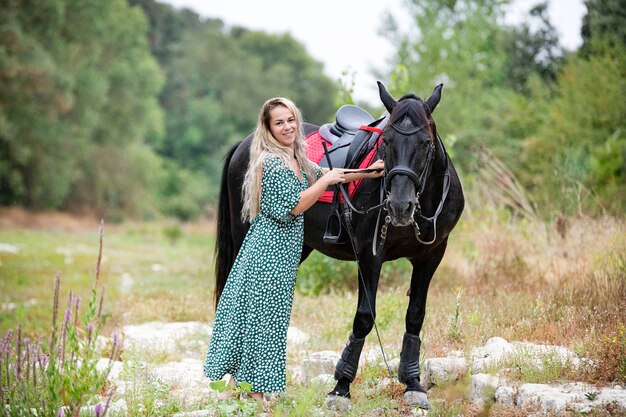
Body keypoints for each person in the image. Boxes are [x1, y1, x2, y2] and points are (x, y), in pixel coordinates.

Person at [204, 97, 384, 403]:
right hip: (267, 252)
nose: (287, 127)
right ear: (268, 128)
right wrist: (325, 178)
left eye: (290, 120)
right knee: (263, 319)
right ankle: (254, 392)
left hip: (283, 255)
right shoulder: (270, 162)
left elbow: (332, 175)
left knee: (269, 319)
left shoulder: (296, 158)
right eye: (279, 122)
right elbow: (295, 206)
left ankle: (244, 386)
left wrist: (369, 172)